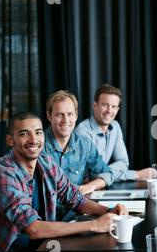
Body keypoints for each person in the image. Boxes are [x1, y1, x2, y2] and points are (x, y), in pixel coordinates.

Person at [0, 112, 126, 252]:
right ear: (10, 140)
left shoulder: (46, 162)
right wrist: (94, 225)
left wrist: (108, 211)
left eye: (38, 132)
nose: (33, 139)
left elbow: (75, 198)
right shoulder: (4, 175)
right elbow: (34, 229)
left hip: (42, 249)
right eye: (24, 134)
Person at [44, 90, 114, 221]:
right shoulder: (37, 146)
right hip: (46, 220)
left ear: (76, 116)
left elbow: (107, 174)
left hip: (75, 215)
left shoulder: (84, 145)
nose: (66, 120)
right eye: (59, 115)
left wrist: (89, 187)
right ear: (49, 116)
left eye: (70, 114)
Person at [75, 84, 157, 182]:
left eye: (113, 106)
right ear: (95, 106)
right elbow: (94, 175)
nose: (109, 111)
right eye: (105, 105)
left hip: (101, 187)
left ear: (117, 110)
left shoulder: (115, 127)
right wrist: (136, 174)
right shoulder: (82, 131)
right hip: (83, 189)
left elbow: (123, 162)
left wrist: (105, 175)